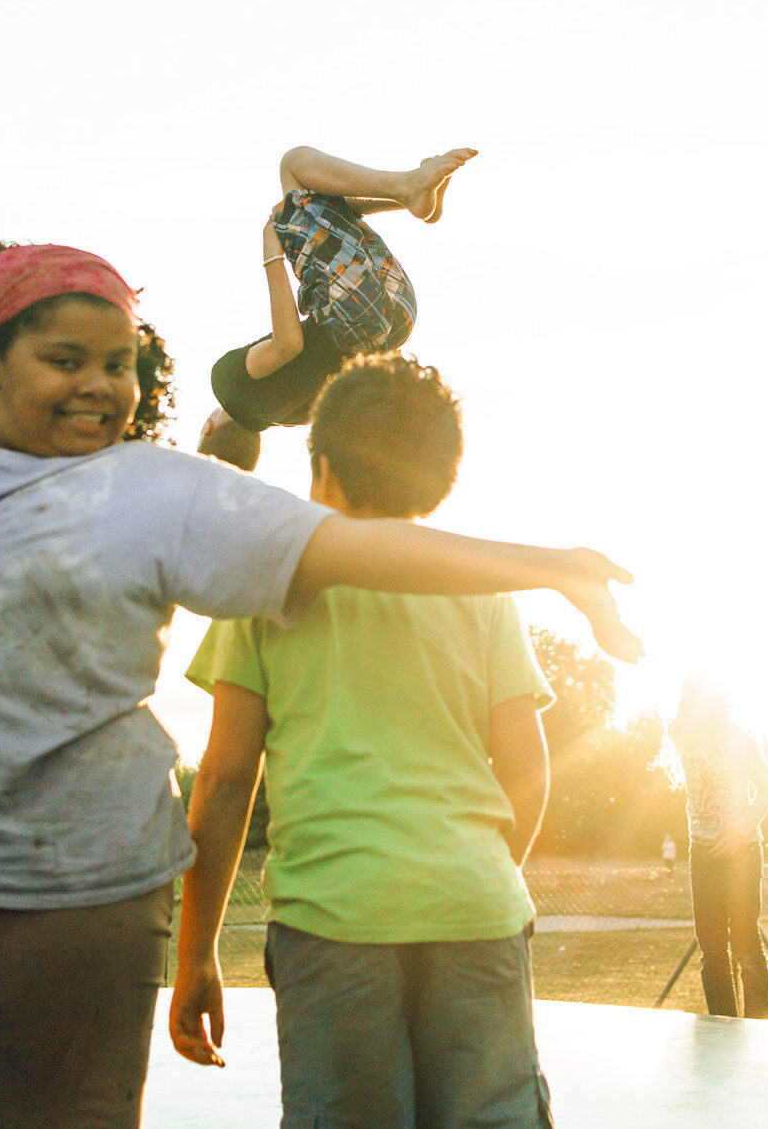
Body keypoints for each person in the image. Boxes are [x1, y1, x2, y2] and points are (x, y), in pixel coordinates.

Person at [0, 0, 638, 1129]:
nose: (103, 385)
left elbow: (359, 546)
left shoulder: (156, 492)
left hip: (57, 894)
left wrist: (555, 564)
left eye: (123, 364)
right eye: (65, 359)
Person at [171, 355, 556, 1124]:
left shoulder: (260, 584)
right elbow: (528, 768)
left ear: (322, 468)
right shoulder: (480, 588)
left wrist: (195, 953)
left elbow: (222, 781)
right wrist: (465, 869)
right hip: (476, 906)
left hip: (332, 919)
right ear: (440, 474)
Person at [194, 144, 475, 471]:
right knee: (294, 169)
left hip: (396, 322)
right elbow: (288, 344)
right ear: (208, 427)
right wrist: (272, 254)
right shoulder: (226, 383)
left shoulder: (292, 418)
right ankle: (408, 189)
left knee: (313, 199)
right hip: (348, 312)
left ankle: (411, 193)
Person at [670, 674, 768, 1018]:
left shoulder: (739, 737)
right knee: (712, 951)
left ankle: (761, 1028)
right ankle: (722, 1028)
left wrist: (741, 828)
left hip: (741, 852)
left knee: (745, 943)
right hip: (701, 851)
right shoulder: (680, 732)